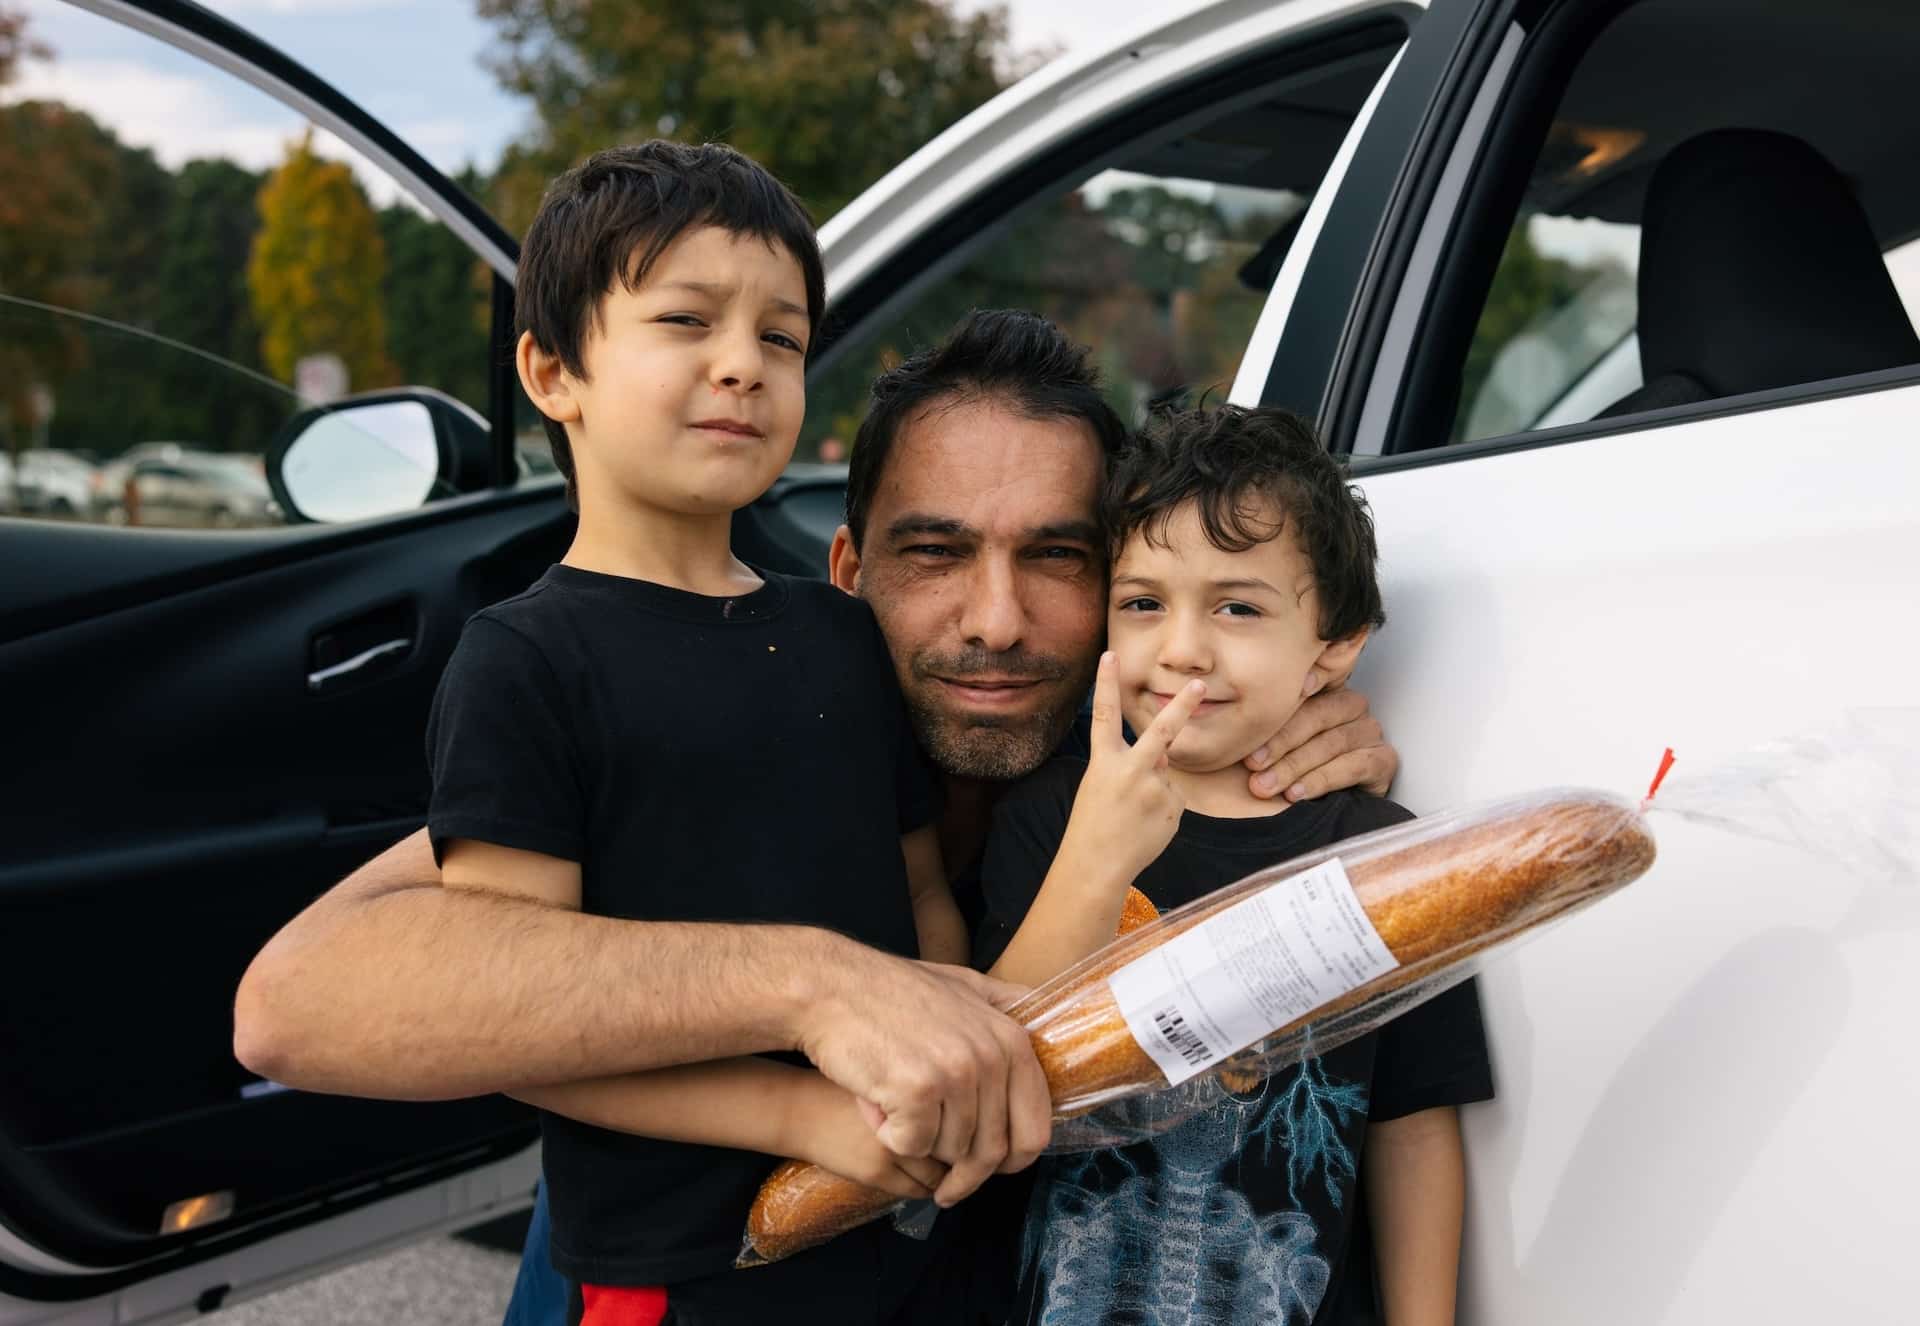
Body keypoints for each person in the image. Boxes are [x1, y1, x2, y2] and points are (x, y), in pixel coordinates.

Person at [234, 295, 1400, 1323]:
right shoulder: (742, 725)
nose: (995, 621)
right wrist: (815, 983)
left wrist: (1279, 759)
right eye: (934, 551)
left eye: (1057, 556)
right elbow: (296, 1004)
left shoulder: (1205, 762)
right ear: (846, 575)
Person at [974, 404, 1492, 1326]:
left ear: (1334, 646)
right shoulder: (1044, 823)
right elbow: (997, 1069)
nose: (1181, 650)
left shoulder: (1389, 861)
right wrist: (1094, 858)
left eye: (1239, 607)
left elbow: (1413, 1125)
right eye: (1143, 604)